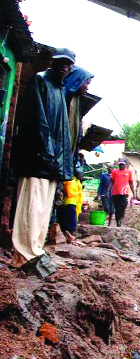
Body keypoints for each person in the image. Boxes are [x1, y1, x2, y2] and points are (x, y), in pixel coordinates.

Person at [10, 48, 76, 273]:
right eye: (61, 63)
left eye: (68, 65)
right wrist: (46, 154)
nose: (64, 67)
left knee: (42, 211)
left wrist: (60, 165)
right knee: (31, 208)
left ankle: (35, 250)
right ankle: (24, 254)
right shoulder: (40, 81)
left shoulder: (60, 89)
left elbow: (63, 134)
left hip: (51, 163)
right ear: (52, 62)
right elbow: (37, 122)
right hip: (37, 159)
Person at [63, 66, 94, 156]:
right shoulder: (63, 98)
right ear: (77, 81)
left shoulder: (76, 101)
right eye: (87, 83)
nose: (87, 88)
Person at [58, 169, 83, 242]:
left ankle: (69, 237)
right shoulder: (70, 181)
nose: (81, 176)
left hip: (74, 203)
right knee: (71, 222)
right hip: (69, 202)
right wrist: (78, 193)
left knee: (72, 221)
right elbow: (69, 193)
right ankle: (70, 237)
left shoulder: (77, 181)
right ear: (77, 174)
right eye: (81, 174)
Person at [109, 159, 135, 227]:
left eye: (122, 164)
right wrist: (108, 190)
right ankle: (118, 222)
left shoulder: (128, 172)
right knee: (117, 208)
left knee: (123, 206)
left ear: (125, 165)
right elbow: (111, 181)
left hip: (124, 193)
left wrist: (134, 193)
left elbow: (131, 182)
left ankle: (121, 219)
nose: (121, 166)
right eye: (120, 164)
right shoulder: (114, 171)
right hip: (116, 193)